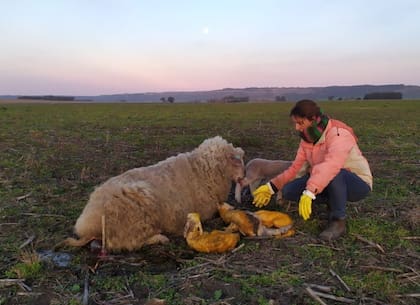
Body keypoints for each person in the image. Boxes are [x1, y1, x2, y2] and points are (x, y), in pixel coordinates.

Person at [252, 99, 372, 241]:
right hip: (323, 180)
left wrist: (310, 192)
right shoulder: (307, 139)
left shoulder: (338, 134)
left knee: (334, 173)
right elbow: (296, 168)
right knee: (289, 190)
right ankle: (332, 201)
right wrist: (271, 187)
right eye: (295, 123)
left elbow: (331, 165)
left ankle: (338, 221)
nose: (297, 127)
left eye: (300, 123)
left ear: (313, 119)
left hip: (355, 183)